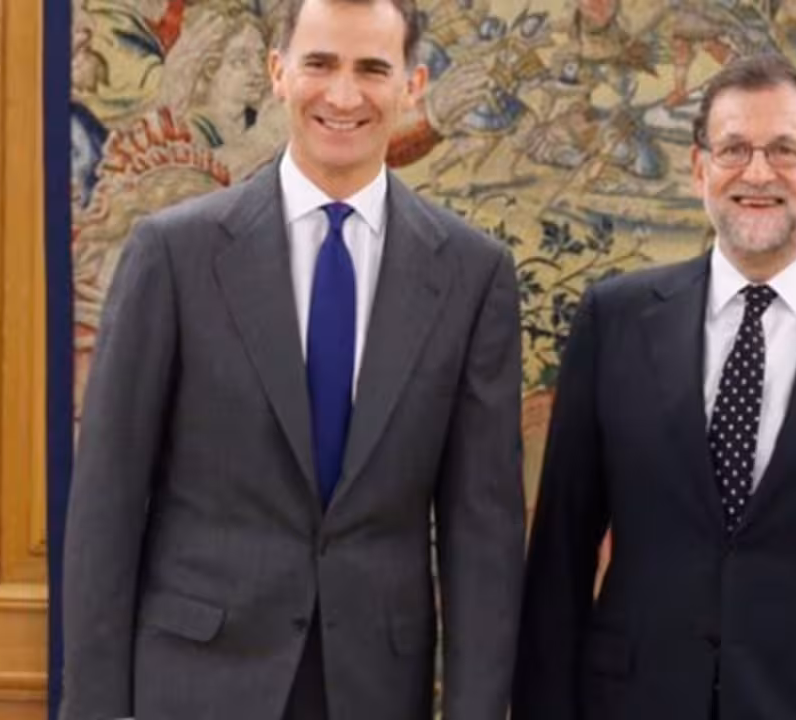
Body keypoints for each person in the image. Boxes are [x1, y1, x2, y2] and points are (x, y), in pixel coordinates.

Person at [61, 0, 525, 718]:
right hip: (196, 687)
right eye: (320, 64)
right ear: (278, 73)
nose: (343, 94)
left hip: (375, 692)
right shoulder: (174, 255)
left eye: (372, 69)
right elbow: (107, 506)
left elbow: (482, 534)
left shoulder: (473, 274)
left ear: (413, 85)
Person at [512, 53, 796, 719]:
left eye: (785, 149)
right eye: (733, 150)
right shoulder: (613, 322)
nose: (758, 173)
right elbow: (559, 562)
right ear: (700, 168)